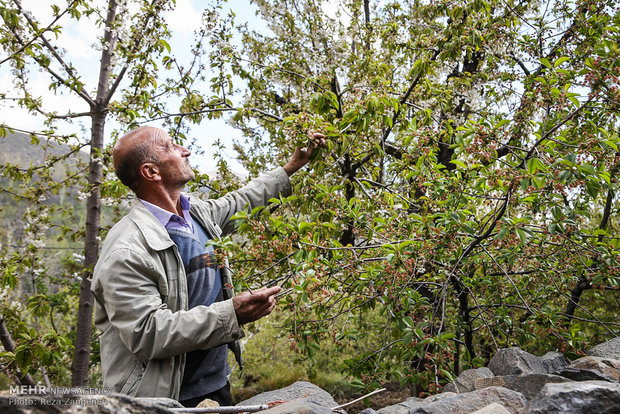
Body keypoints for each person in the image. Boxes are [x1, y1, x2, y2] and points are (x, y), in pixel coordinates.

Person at [91, 126, 325, 406]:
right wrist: (232, 313)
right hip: (164, 399)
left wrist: (292, 167)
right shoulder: (127, 250)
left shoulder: (196, 214)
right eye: (170, 147)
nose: (185, 151)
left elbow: (242, 201)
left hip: (214, 387)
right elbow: (148, 332)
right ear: (151, 172)